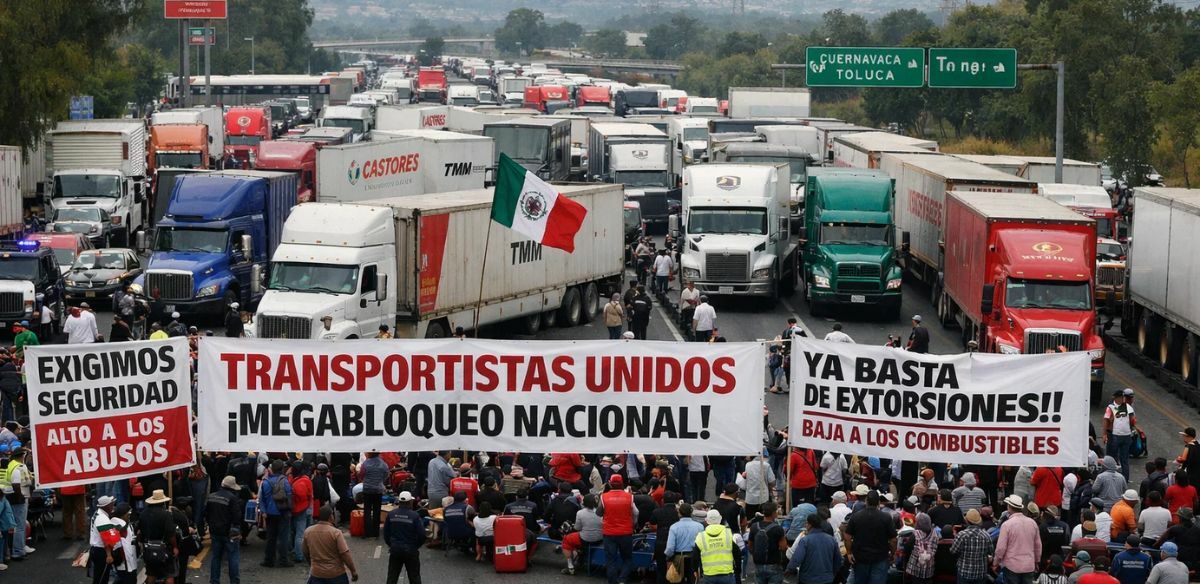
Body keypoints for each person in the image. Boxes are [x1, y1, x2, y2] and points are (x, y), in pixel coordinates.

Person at [844, 490, 898, 584]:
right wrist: (893, 553)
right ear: (878, 502)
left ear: (866, 501)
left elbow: (847, 536)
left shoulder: (856, 516)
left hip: (861, 558)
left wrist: (849, 553)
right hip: (880, 558)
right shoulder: (886, 517)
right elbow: (893, 540)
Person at [598, 474, 638, 584]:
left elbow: (598, 512)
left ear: (610, 484)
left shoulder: (603, 496)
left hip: (609, 533)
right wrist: (633, 524)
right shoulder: (630, 496)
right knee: (627, 558)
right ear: (622, 484)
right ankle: (622, 579)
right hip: (626, 532)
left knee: (611, 560)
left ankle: (612, 582)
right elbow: (636, 513)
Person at [304, 505, 359, 584]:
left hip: (316, 574)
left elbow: (305, 551)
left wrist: (312, 564)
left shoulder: (308, 531)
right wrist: (353, 571)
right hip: (336, 575)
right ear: (331, 517)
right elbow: (345, 554)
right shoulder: (336, 533)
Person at [994, 495, 1041, 584]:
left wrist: (996, 561)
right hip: (1028, 565)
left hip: (1011, 566)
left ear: (1009, 507)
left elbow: (1001, 548)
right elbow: (1038, 545)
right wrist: (1037, 561)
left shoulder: (1007, 525)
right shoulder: (1032, 523)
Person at [207, 476, 244, 584]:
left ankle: (214, 581)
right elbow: (237, 517)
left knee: (216, 557)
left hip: (215, 531)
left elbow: (207, 514)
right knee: (233, 557)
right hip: (229, 532)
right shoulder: (232, 498)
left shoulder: (211, 496)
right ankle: (234, 581)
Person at [784, 513, 841, 584]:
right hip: (827, 579)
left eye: (806, 523)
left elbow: (797, 558)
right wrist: (832, 574)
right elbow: (838, 560)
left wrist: (789, 569)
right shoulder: (832, 540)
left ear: (810, 525)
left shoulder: (805, 540)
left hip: (807, 579)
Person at [383, 492, 424, 584]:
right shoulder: (415, 516)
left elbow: (386, 534)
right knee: (414, 577)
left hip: (395, 550)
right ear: (410, 502)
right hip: (410, 550)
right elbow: (422, 535)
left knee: (392, 577)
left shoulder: (391, 514)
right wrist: (415, 546)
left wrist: (392, 544)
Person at [138, 489, 178, 584]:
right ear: (163, 502)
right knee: (169, 574)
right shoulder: (166, 514)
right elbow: (171, 533)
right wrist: (175, 547)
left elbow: (140, 531)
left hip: (148, 549)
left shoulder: (143, 514)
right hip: (164, 549)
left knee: (151, 573)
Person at [260, 460, 294, 567]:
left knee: (271, 537)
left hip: (270, 513)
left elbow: (262, 500)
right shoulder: (285, 482)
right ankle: (283, 560)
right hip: (283, 512)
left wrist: (264, 512)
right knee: (283, 537)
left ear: (272, 469)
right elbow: (289, 496)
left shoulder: (265, 482)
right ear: (282, 469)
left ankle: (269, 560)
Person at [562, 494, 604, 576]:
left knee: (566, 539)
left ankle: (570, 566)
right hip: (600, 539)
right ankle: (580, 555)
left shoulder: (580, 513)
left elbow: (577, 528)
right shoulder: (602, 512)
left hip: (585, 539)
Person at [692, 508, 737, 584]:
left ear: (706, 521)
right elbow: (737, 552)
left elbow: (695, 557)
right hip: (727, 573)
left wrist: (695, 570)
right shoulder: (728, 533)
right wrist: (737, 569)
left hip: (709, 575)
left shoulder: (701, 536)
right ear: (720, 519)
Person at [747, 501, 787, 584]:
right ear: (774, 513)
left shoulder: (754, 527)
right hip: (774, 565)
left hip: (759, 564)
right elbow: (783, 547)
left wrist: (756, 554)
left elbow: (750, 545)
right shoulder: (778, 529)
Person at [951, 509, 994, 584]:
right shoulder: (986, 535)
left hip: (964, 572)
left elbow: (953, 551)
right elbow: (991, 552)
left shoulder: (961, 535)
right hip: (980, 573)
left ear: (967, 521)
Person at [1104, 389, 1139, 481]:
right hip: (1126, 436)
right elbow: (1133, 421)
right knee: (1124, 459)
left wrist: (1104, 434)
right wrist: (1129, 428)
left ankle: (1110, 478)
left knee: (1110, 457)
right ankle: (1125, 479)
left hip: (1114, 435)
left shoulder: (1111, 407)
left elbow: (1106, 421)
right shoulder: (1128, 407)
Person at [6, 447, 33, 560]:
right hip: (18, 499)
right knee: (20, 526)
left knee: (17, 525)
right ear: (21, 456)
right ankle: (18, 551)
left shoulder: (11, 465)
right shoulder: (18, 468)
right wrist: (21, 497)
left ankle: (19, 548)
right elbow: (16, 485)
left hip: (13, 498)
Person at [87, 495, 118, 584]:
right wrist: (109, 555)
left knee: (99, 577)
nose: (113, 505)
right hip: (101, 552)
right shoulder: (102, 518)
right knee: (101, 579)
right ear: (106, 506)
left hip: (96, 550)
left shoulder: (98, 513)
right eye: (111, 504)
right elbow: (106, 538)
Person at [290, 461, 316, 563]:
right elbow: (310, 494)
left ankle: (297, 553)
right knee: (304, 533)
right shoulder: (307, 480)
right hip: (307, 508)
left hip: (296, 509)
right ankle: (304, 554)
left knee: (297, 532)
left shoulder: (293, 481)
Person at [358, 452, 388, 537]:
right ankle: (376, 532)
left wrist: (366, 479)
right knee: (377, 511)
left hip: (367, 489)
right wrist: (380, 481)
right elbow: (386, 474)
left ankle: (367, 532)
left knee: (367, 511)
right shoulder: (383, 464)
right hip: (378, 490)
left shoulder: (366, 463)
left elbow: (361, 475)